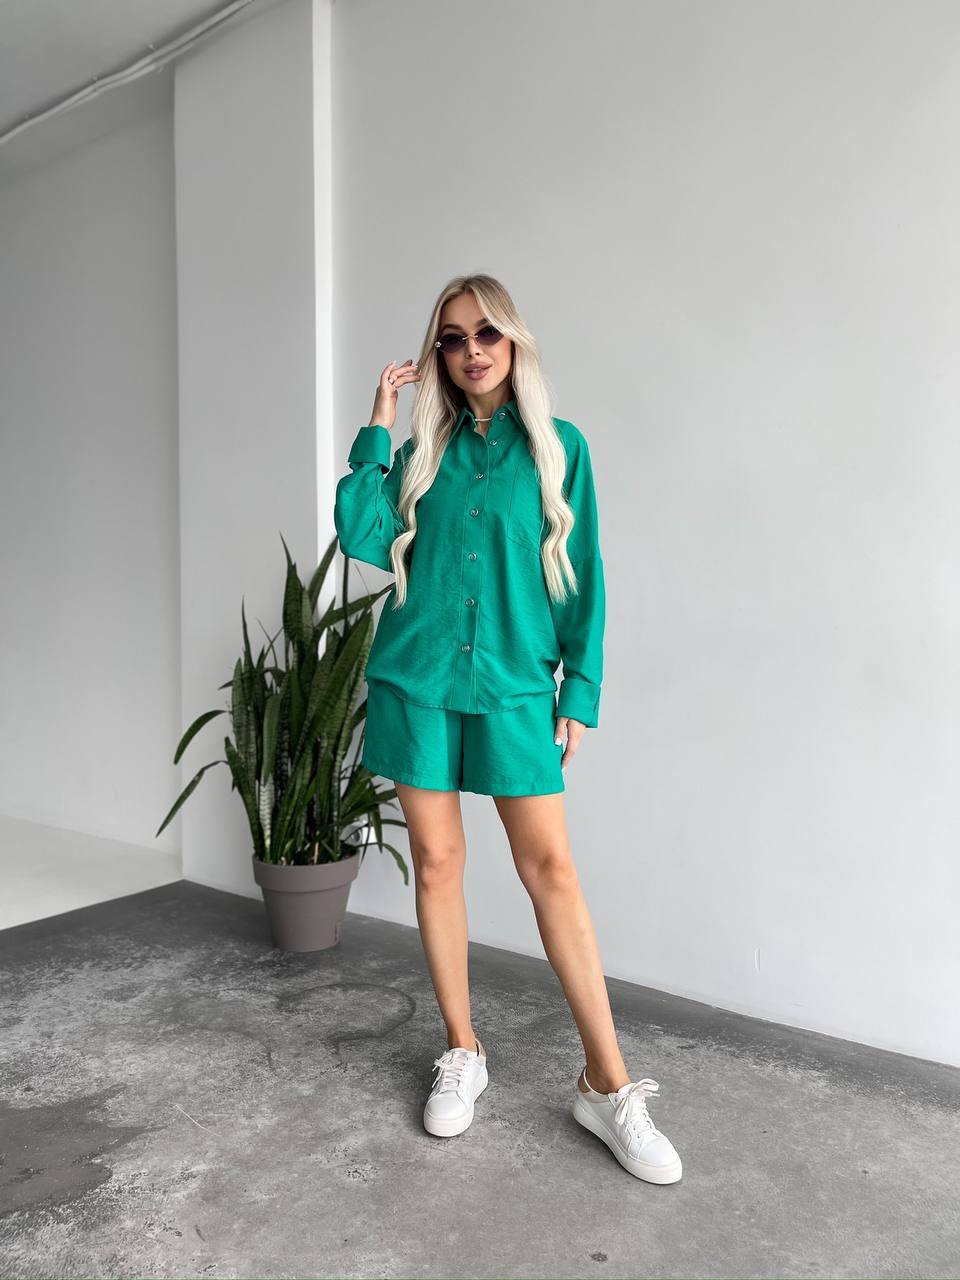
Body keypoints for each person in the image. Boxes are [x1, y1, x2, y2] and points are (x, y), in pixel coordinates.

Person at [334, 273, 682, 1185]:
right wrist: (378, 421)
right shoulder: (422, 451)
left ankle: (607, 1084)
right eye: (452, 338)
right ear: (439, 356)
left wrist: (580, 690)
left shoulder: (562, 447)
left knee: (551, 872)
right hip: (417, 680)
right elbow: (363, 534)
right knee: (437, 864)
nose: (471, 350)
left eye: (486, 332)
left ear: (515, 342)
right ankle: (463, 1048)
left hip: (517, 686)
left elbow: (583, 572)